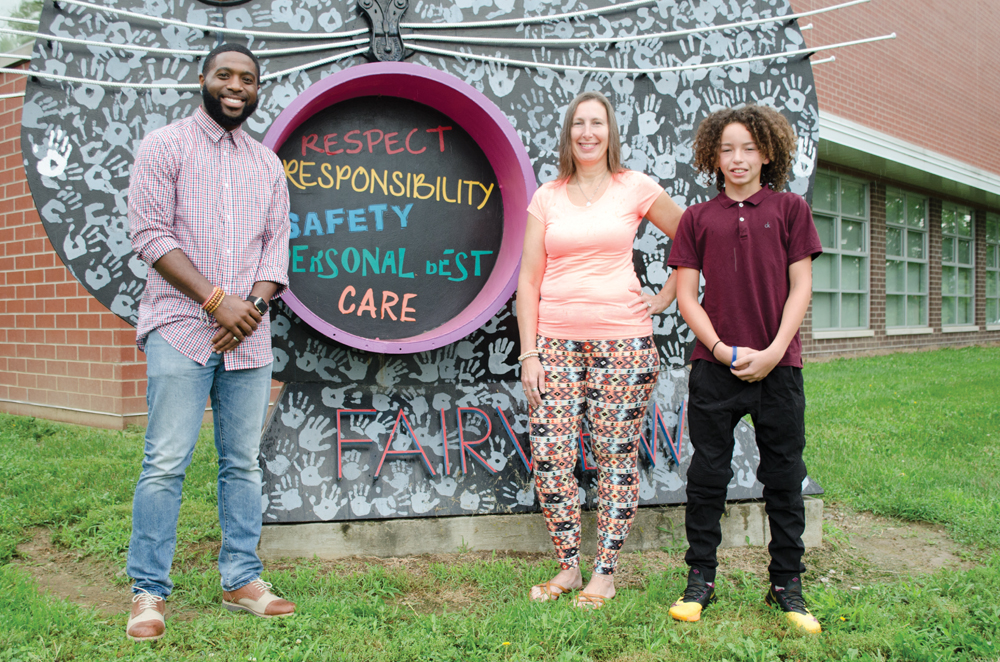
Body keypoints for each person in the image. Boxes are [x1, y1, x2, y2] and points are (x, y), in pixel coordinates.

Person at [124, 43, 294, 641]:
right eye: (225, 74)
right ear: (203, 79)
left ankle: (241, 579)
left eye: (247, 79)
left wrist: (251, 308)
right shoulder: (164, 145)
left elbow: (277, 250)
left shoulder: (266, 163)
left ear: (256, 90)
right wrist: (216, 300)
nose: (236, 86)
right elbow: (149, 232)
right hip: (178, 324)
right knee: (166, 461)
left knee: (242, 463)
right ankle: (148, 591)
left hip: (247, 334)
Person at [517, 91, 683, 610]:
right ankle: (569, 566)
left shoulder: (634, 186)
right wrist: (529, 354)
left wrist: (666, 295)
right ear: (568, 133)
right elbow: (528, 278)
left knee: (614, 458)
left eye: (598, 123)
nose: (588, 132)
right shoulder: (547, 196)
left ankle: (605, 572)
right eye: (579, 124)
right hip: (554, 344)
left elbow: (693, 240)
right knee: (551, 456)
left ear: (611, 132)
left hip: (623, 343)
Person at [665, 104, 822, 634]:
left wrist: (776, 349)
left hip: (780, 367)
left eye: (749, 148)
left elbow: (801, 286)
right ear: (714, 155)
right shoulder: (697, 218)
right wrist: (722, 348)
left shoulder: (791, 209)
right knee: (707, 475)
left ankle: (787, 584)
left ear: (768, 153)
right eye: (728, 149)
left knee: (783, 476)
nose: (738, 159)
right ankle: (700, 579)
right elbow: (687, 296)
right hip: (715, 368)